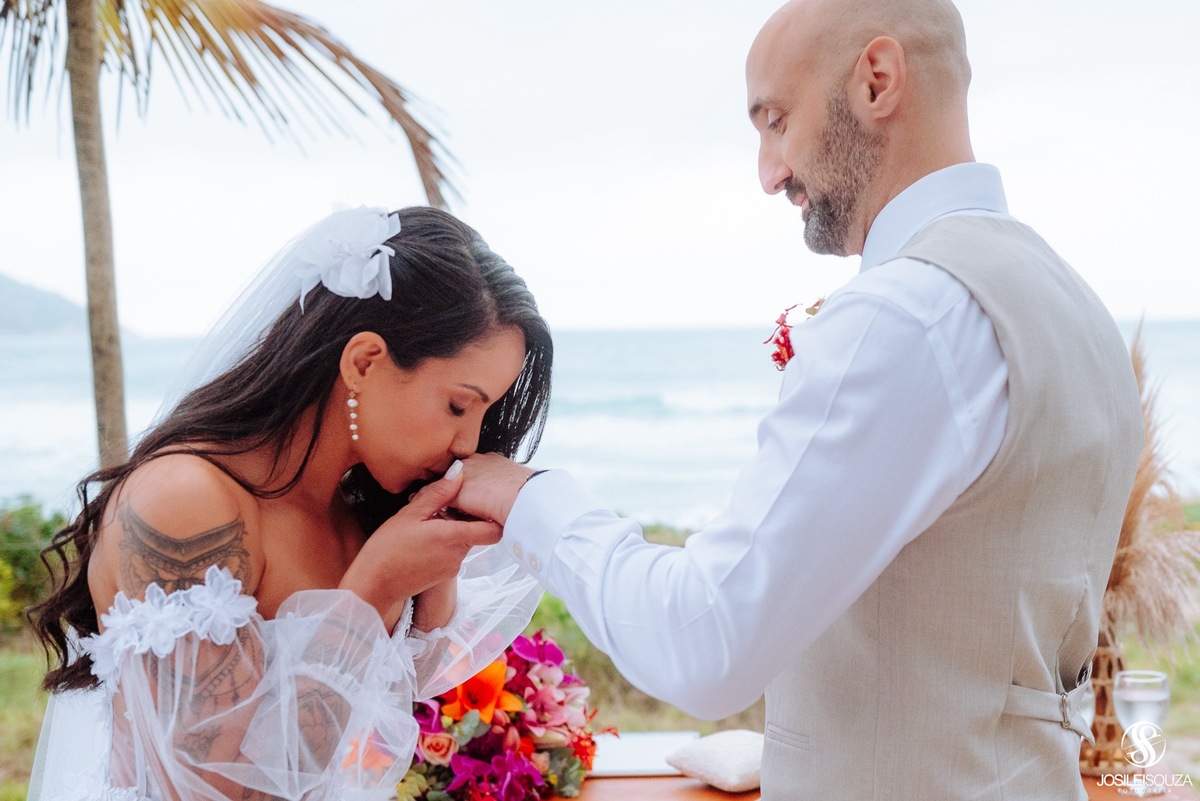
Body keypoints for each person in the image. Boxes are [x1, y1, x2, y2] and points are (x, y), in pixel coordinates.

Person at [452, 0, 1143, 798]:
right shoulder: (1078, 312)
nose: (768, 171)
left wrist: (531, 498)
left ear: (877, 81)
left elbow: (703, 639)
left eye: (776, 119)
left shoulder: (906, 314)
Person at [26, 205, 552, 801]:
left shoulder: (358, 510)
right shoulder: (186, 504)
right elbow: (205, 787)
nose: (469, 444)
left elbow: (408, 683)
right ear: (365, 362)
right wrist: (373, 590)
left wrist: (433, 565)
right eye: (459, 405)